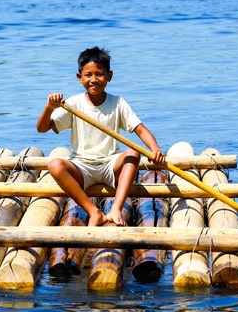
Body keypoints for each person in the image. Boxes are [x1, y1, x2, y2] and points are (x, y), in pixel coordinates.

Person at [36, 46, 165, 226]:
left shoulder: (117, 103)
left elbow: (141, 129)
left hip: (111, 164)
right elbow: (42, 128)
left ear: (109, 76)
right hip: (81, 166)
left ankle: (116, 208)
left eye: (100, 74)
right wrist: (50, 107)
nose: (94, 80)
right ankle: (94, 212)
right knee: (55, 165)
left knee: (134, 153)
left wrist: (156, 150)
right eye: (88, 75)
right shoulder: (73, 104)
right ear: (79, 77)